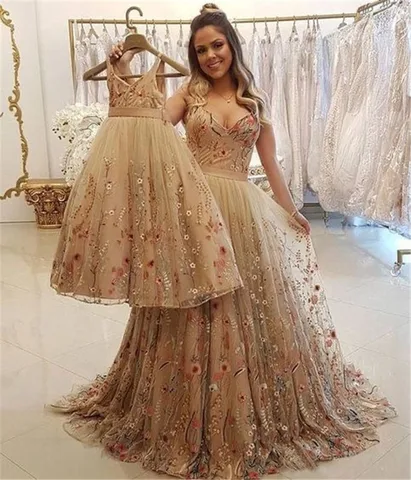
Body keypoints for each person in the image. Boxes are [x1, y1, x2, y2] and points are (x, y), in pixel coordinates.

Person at [50, 4, 396, 479]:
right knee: (193, 308)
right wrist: (126, 69)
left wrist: (292, 211)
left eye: (217, 45)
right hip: (195, 214)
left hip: (244, 210)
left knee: (252, 307)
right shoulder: (187, 95)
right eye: (200, 50)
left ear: (232, 44)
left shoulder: (255, 102)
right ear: (193, 56)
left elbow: (270, 164)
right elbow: (146, 122)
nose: (211, 55)